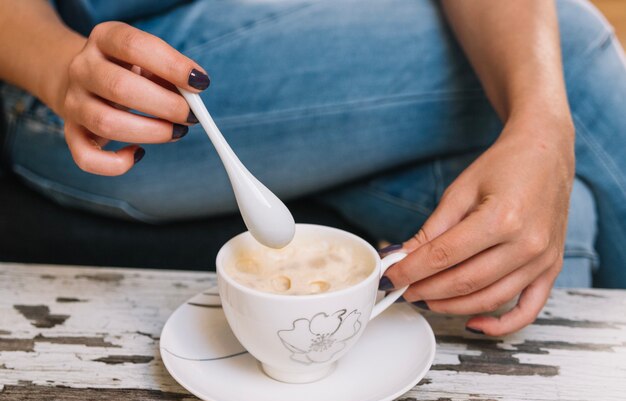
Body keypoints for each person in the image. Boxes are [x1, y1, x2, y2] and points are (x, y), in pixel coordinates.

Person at [0, 0, 624, 336]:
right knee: (569, 44)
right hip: (99, 78)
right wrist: (63, 68)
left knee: (553, 225)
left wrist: (542, 137)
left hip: (316, 33)